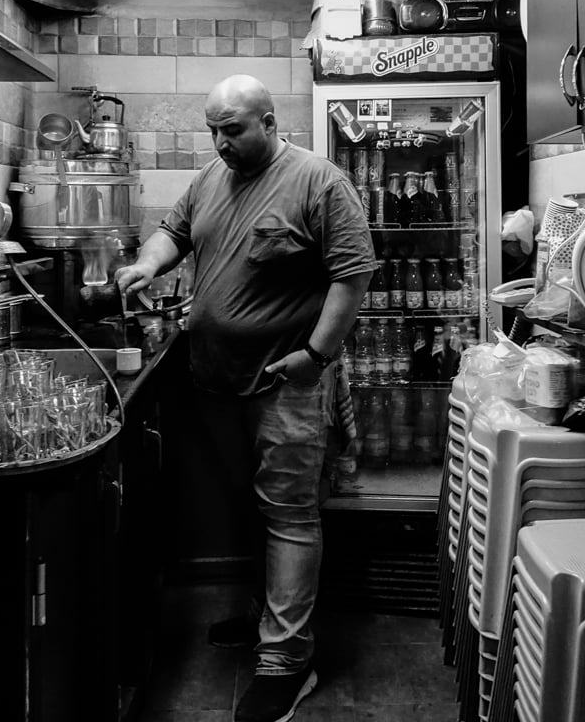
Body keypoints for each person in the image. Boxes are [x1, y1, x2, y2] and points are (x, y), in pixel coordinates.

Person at [115, 75, 376, 722]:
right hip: (218, 382)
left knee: (289, 516)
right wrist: (149, 264)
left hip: (285, 383)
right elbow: (172, 233)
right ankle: (270, 623)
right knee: (256, 510)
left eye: (231, 130)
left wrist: (316, 356)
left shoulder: (318, 182)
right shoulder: (211, 178)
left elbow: (352, 277)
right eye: (213, 130)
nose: (219, 142)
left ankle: (287, 662)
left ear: (269, 122)